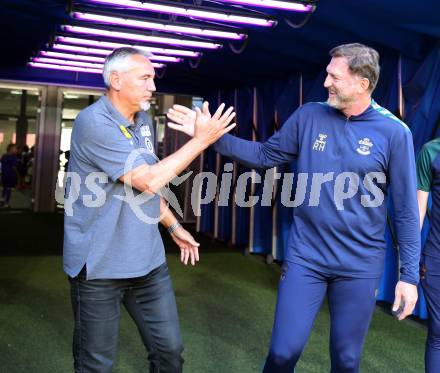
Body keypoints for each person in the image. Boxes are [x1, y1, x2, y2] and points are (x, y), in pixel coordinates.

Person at [167, 43, 420, 372]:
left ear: (362, 83)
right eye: (327, 74)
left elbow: (404, 211)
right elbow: (265, 156)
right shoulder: (309, 115)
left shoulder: (394, 133)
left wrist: (409, 277)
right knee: (283, 353)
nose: (326, 82)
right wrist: (209, 138)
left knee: (346, 360)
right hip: (307, 258)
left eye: (335, 77)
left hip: (359, 264)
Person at [64, 47, 235, 373]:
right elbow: (147, 180)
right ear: (116, 80)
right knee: (95, 365)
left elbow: (145, 188)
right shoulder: (93, 122)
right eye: (145, 78)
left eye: (153, 78)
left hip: (147, 263)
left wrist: (173, 226)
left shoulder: (143, 122)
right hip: (100, 267)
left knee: (169, 352)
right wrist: (201, 140)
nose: (152, 86)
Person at [417, 139, 440, 372]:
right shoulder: (431, 151)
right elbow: (418, 214)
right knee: (439, 332)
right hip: (436, 259)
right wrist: (409, 266)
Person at [0, 143, 18, 208]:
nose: (16, 150)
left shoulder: (3, 156)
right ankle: (6, 203)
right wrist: (17, 175)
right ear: (11, 149)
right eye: (15, 148)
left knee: (5, 188)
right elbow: (14, 168)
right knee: (9, 189)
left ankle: (2, 201)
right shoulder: (13, 157)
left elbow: (2, 164)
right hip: (10, 176)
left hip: (4, 175)